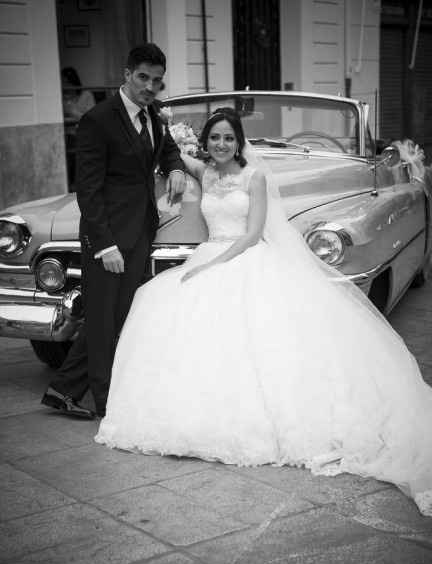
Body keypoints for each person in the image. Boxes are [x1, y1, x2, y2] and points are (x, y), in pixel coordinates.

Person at [95, 107, 432, 516]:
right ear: (206, 142)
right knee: (158, 304)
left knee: (253, 338)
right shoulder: (205, 172)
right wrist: (161, 122)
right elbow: (164, 150)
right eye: (214, 138)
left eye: (228, 138)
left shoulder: (254, 177)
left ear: (239, 142)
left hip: (242, 255)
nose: (221, 145)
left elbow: (254, 234)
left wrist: (213, 265)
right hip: (210, 253)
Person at [42, 43, 185, 419]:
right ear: (126, 74)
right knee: (104, 321)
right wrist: (105, 246)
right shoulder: (98, 120)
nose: (150, 87)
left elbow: (166, 149)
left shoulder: (153, 115)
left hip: (140, 231)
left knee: (117, 316)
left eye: (156, 80)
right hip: (107, 238)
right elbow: (87, 190)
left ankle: (62, 389)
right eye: (143, 78)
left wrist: (176, 169)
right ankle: (106, 403)